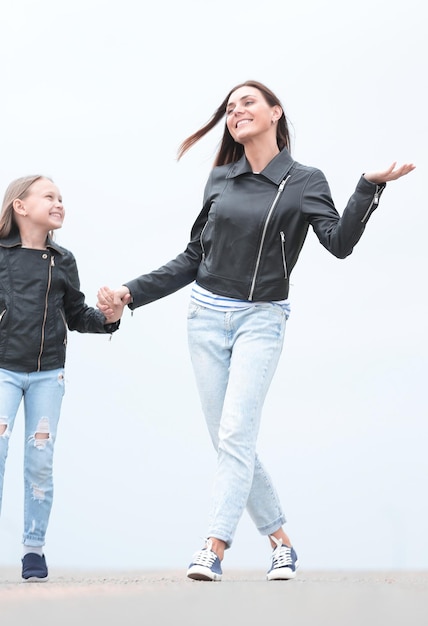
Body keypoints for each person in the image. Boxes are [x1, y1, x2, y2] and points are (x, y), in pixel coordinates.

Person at [97, 80, 415, 582]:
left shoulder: (306, 180)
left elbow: (339, 243)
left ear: (275, 113)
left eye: (247, 102)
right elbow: (193, 258)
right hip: (205, 316)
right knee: (231, 443)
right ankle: (282, 543)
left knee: (235, 435)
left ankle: (213, 547)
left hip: (262, 320)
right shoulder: (221, 178)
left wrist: (367, 187)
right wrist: (130, 291)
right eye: (230, 108)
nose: (236, 111)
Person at [0, 175, 126, 582]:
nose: (59, 203)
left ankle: (33, 549)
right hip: (2, 370)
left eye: (61, 198)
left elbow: (76, 315)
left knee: (39, 462)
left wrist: (110, 318)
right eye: (49, 196)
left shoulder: (63, 259)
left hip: (48, 376)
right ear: (20, 206)